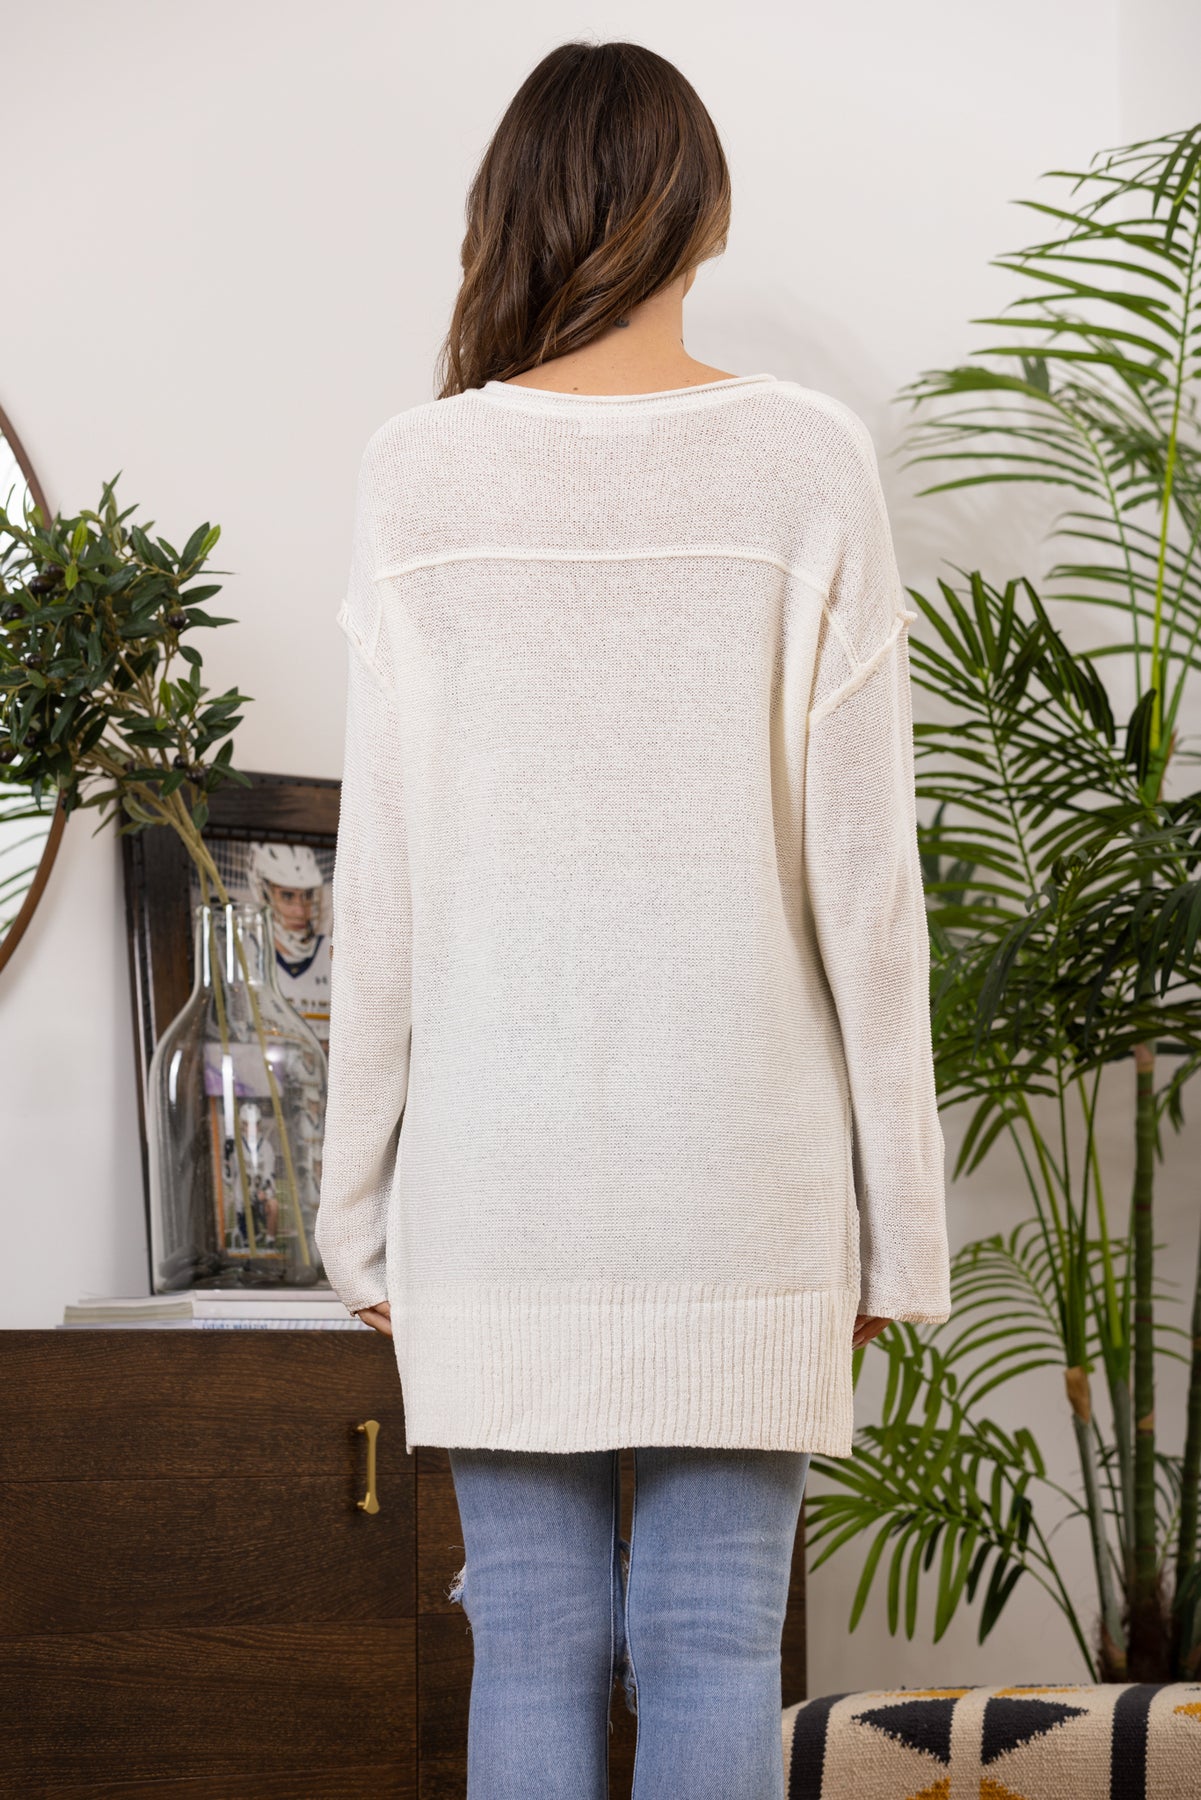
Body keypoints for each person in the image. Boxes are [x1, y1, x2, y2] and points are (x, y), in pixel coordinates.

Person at [314, 37, 951, 1800]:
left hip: (495, 1188)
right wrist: (898, 1235)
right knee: (713, 1640)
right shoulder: (804, 460)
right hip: (741, 1180)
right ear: (703, 210)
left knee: (525, 1635)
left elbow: (384, 888)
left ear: (507, 210)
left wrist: (354, 1216)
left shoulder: (418, 475)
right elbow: (866, 891)